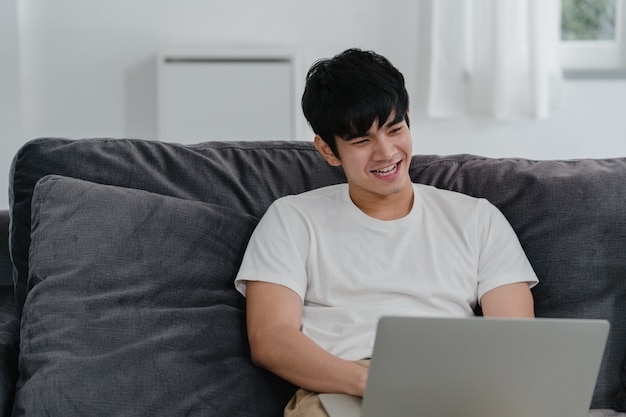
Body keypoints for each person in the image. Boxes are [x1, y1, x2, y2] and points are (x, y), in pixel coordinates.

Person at [234, 48, 538, 417]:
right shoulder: (291, 219)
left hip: (452, 388)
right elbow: (271, 340)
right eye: (362, 141)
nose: (385, 152)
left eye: (395, 130)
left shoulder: (478, 219)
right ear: (328, 150)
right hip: (344, 387)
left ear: (409, 120)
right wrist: (374, 383)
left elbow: (517, 343)